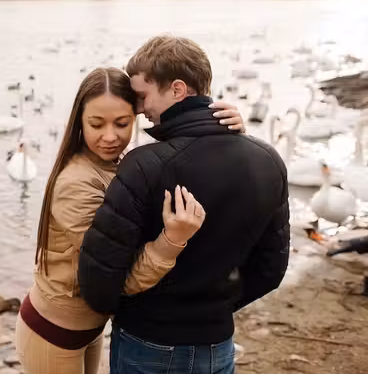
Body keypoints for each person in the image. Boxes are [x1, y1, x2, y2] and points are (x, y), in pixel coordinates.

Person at [78, 36, 290, 374]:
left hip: (147, 343)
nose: (139, 109)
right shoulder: (268, 160)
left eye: (143, 95)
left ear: (177, 89)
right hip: (218, 345)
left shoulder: (144, 166)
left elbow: (98, 284)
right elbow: (270, 270)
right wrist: (213, 310)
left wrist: (136, 312)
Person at [15, 67, 246, 374]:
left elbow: (185, 157)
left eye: (122, 123)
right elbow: (114, 278)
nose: (110, 137)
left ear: (138, 116)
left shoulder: (121, 164)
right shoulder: (76, 184)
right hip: (54, 333)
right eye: (96, 124)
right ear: (79, 122)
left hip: (89, 328)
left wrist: (225, 131)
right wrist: (171, 241)